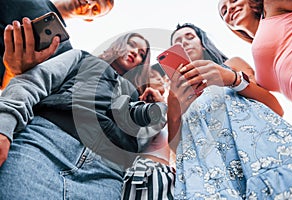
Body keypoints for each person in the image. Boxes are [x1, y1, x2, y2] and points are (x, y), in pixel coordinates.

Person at [0, 32, 166, 199]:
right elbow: (32, 82)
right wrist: (4, 128)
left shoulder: (139, 99)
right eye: (132, 44)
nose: (135, 52)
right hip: (47, 144)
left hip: (105, 176)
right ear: (118, 44)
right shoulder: (82, 58)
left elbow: (141, 143)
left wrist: (158, 114)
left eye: (142, 54)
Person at [167, 23, 292, 199]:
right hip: (211, 168)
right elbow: (176, 148)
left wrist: (232, 79)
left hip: (258, 150)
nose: (184, 43)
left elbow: (275, 107)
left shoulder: (232, 64)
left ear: (203, 43)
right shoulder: (175, 92)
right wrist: (173, 110)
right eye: (177, 42)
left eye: (190, 37)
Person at [0, 0, 114, 89]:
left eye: (95, 9)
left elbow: (8, 87)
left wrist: (12, 72)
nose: (89, 3)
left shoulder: (64, 53)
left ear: (89, 19)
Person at [218, 0, 292, 106]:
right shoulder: (259, 56)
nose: (230, 9)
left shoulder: (271, 4)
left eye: (234, 0)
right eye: (224, 12)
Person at [122, 63, 176, 200]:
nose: (159, 79)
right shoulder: (141, 109)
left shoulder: (174, 110)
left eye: (161, 76)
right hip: (144, 174)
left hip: (170, 177)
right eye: (152, 76)